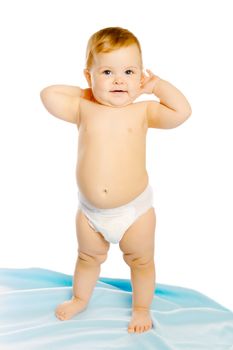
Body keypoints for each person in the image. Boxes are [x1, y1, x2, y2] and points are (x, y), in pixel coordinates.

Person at [40, 26, 192, 334]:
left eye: (129, 72)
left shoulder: (143, 111)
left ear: (139, 77)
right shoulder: (83, 108)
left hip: (134, 212)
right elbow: (48, 95)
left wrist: (157, 85)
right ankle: (80, 298)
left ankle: (141, 308)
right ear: (89, 77)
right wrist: (90, 92)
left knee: (141, 262)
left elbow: (181, 112)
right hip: (91, 213)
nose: (119, 80)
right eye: (107, 71)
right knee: (86, 257)